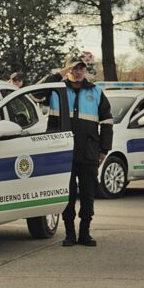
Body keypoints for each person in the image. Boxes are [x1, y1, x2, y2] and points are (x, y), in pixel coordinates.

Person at [42, 56, 113, 247]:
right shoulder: (56, 89)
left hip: (89, 151)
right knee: (68, 194)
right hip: (62, 151)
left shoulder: (95, 91)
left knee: (88, 194)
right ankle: (69, 234)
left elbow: (107, 121)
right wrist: (58, 75)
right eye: (74, 68)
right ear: (67, 70)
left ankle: (85, 233)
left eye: (81, 68)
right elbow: (36, 94)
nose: (78, 71)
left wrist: (104, 149)